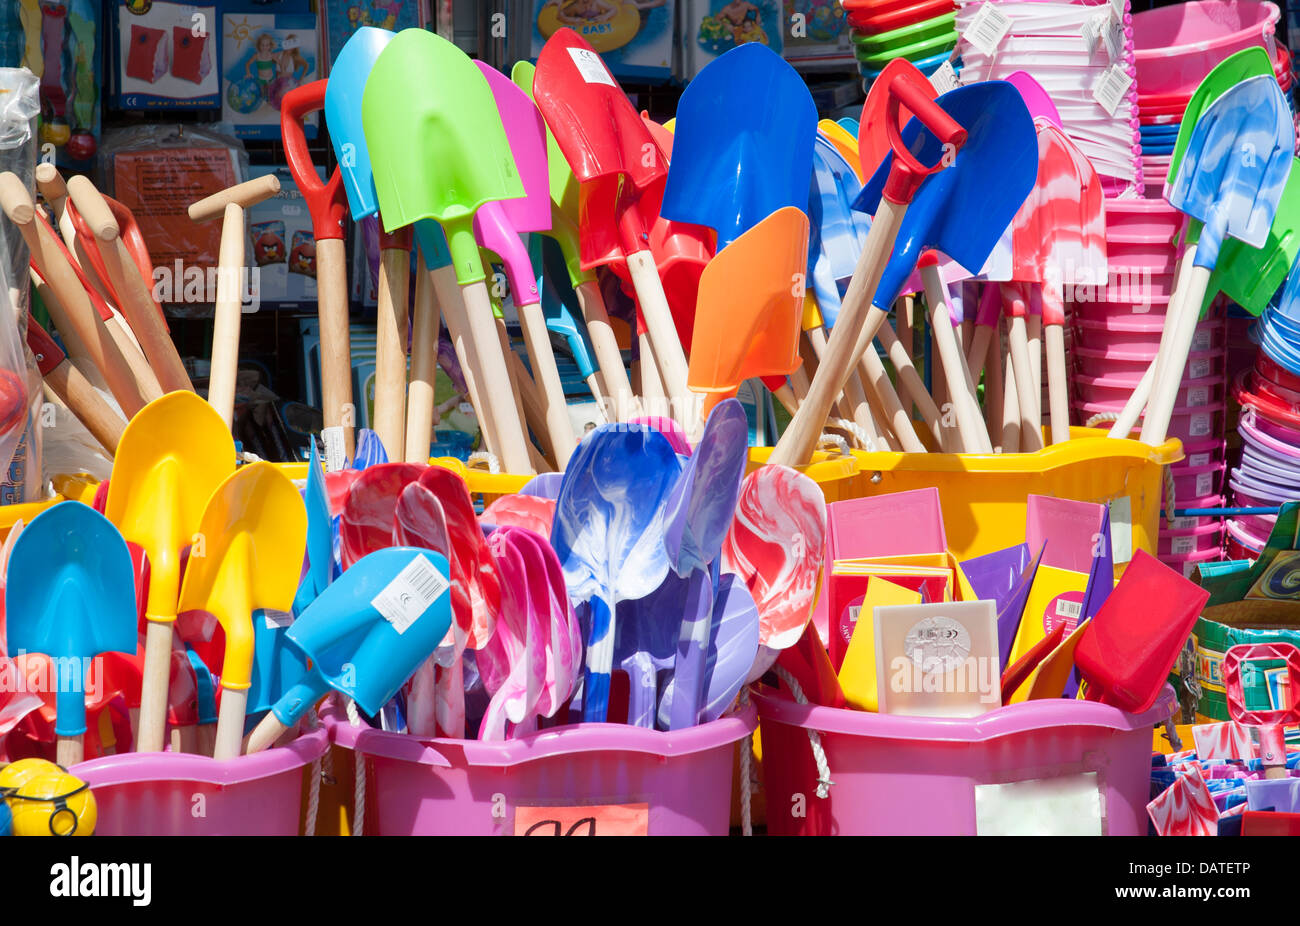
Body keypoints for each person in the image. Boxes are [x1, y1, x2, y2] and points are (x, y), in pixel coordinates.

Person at [247, 33, 277, 99]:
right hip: (261, 79)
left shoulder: (271, 55)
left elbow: (279, 62)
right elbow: (247, 64)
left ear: (270, 46)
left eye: (267, 45)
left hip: (270, 78)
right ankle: (263, 99)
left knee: (270, 93)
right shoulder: (256, 55)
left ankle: (269, 102)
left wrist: (282, 70)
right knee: (262, 94)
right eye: (262, 45)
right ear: (259, 45)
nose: (264, 47)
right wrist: (248, 73)